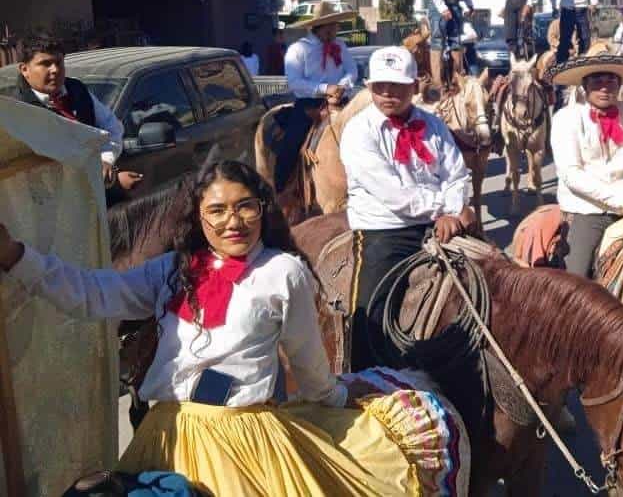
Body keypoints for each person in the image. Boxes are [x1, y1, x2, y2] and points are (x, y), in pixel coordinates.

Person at [0, 160, 464, 495]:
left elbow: (309, 363)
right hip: (165, 433)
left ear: (262, 209)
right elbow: (91, 293)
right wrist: (17, 257)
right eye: (217, 210)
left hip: (244, 443)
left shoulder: (284, 273)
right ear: (199, 216)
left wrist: (342, 398)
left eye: (245, 207)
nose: (232, 221)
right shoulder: (170, 270)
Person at [340, 46, 472, 371]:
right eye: (380, 86)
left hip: (441, 223)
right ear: (369, 88)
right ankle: (362, 378)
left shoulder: (434, 126)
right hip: (385, 229)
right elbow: (394, 195)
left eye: (397, 86)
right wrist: (444, 210)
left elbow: (457, 174)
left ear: (414, 86)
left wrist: (454, 213)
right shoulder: (359, 131)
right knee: (371, 307)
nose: (388, 94)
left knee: (494, 277)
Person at [549, 53, 623, 277]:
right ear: (585, 85)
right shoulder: (567, 118)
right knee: (576, 281)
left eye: (611, 81)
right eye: (597, 81)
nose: (605, 88)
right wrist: (622, 198)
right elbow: (571, 174)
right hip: (589, 209)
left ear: (619, 85)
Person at [12, 36, 142, 201]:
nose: (55, 70)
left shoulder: (77, 90)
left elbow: (111, 127)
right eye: (45, 64)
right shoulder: (17, 111)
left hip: (91, 196)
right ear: (24, 69)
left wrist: (105, 161)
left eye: (59, 63)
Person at [277, 2, 358, 192]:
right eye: (332, 25)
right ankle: (281, 189)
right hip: (309, 103)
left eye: (336, 25)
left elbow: (352, 70)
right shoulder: (298, 49)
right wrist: (324, 88)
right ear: (320, 27)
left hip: (341, 100)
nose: (335, 29)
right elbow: (295, 82)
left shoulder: (340, 45)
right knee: (291, 142)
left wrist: (341, 86)